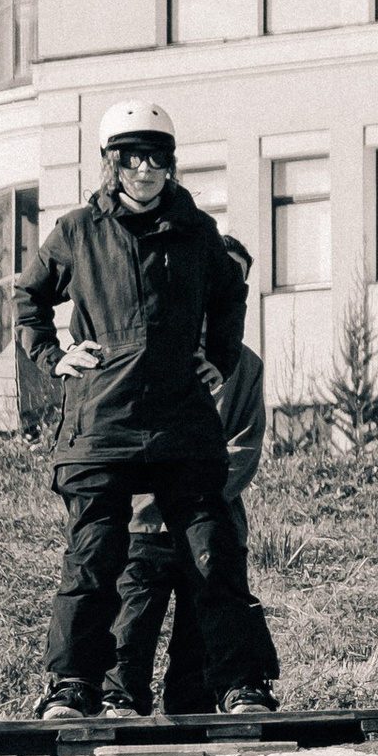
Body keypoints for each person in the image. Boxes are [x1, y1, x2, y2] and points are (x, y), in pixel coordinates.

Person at [13, 101, 280, 717]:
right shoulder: (77, 231)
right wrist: (52, 354)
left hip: (182, 425)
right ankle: (73, 686)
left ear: (171, 164)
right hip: (102, 423)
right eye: (132, 157)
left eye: (157, 157)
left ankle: (240, 685)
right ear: (112, 164)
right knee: (96, 554)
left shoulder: (197, 231)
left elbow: (229, 292)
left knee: (214, 550)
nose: (145, 168)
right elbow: (29, 295)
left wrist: (218, 355)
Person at [109, 270, 265, 717]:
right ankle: (118, 703)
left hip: (214, 526)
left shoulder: (246, 365)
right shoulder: (149, 351)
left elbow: (243, 449)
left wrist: (192, 496)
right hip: (146, 522)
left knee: (201, 635)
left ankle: (195, 718)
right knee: (130, 625)